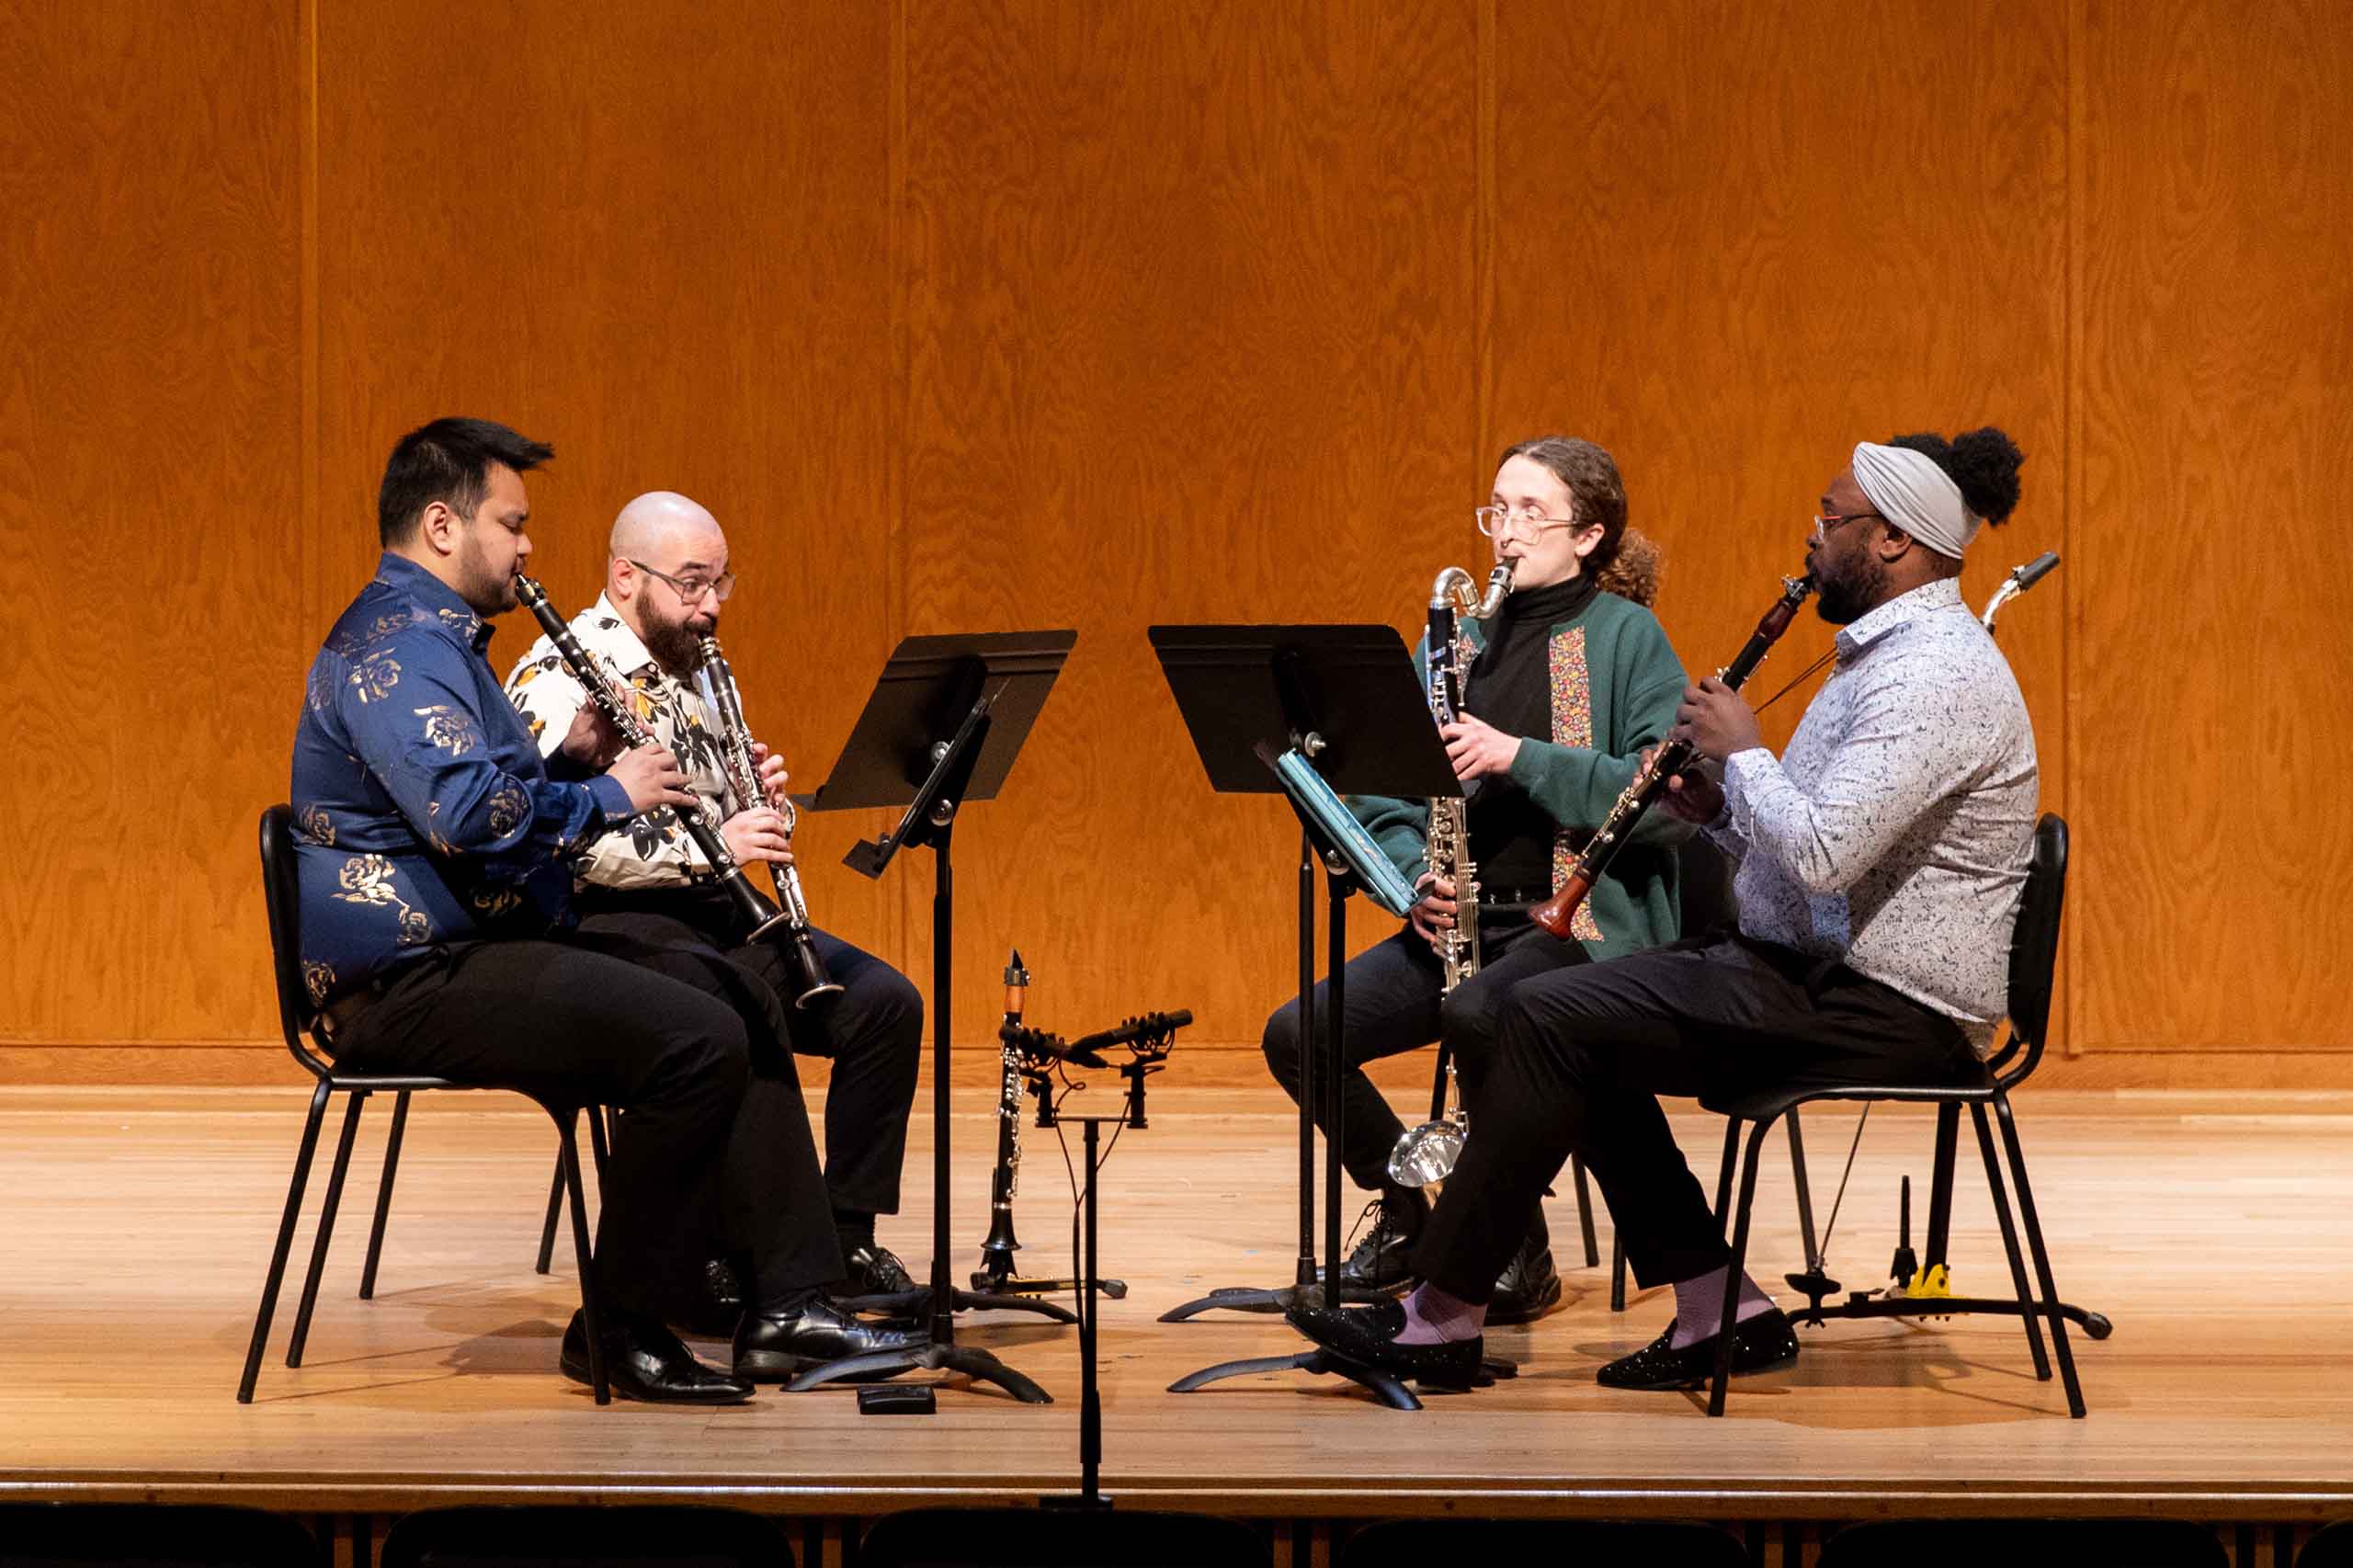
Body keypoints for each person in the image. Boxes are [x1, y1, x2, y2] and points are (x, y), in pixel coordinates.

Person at [1286, 426, 2037, 1391]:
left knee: (1544, 1015)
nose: (1812, 537)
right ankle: (1717, 1306)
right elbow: (1795, 838)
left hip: (1882, 999)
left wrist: (1743, 752)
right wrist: (1715, 808)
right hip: (1806, 966)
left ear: (1891, 541)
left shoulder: (1932, 671)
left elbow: (1818, 853)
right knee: (1559, 1016)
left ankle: (1442, 1314)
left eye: (1830, 517)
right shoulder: (1884, 657)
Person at [290, 418, 917, 1403]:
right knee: (698, 1034)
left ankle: (788, 1296)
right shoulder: (400, 646)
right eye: (514, 522)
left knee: (728, 994)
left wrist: (565, 764)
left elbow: (481, 802)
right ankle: (627, 1315)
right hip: (406, 974)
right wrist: (610, 792)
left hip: (467, 940)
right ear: (444, 525)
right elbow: (466, 821)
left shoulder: (433, 637)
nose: (530, 546)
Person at [1256, 437, 1691, 1322]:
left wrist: (1519, 756)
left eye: (1533, 513)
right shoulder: (1454, 640)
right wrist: (1414, 873)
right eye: (1498, 509)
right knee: (1300, 1034)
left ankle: (1510, 1248)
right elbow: (1388, 786)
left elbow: (1668, 798)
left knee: (1489, 1015)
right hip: (1459, 924)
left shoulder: (1626, 638)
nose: (1507, 532)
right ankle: (1426, 1213)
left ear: (1590, 535)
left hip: (1579, 926)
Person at [504, 490, 926, 1310]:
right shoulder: (558, 679)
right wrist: (718, 853)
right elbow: (551, 838)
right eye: (691, 585)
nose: (709, 608)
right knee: (737, 1019)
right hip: (616, 924)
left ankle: (842, 1242)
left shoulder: (692, 666)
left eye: (720, 584)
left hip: (714, 911)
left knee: (886, 1006)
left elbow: (704, 812)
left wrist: (756, 806)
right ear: (626, 577)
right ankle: (745, 1264)